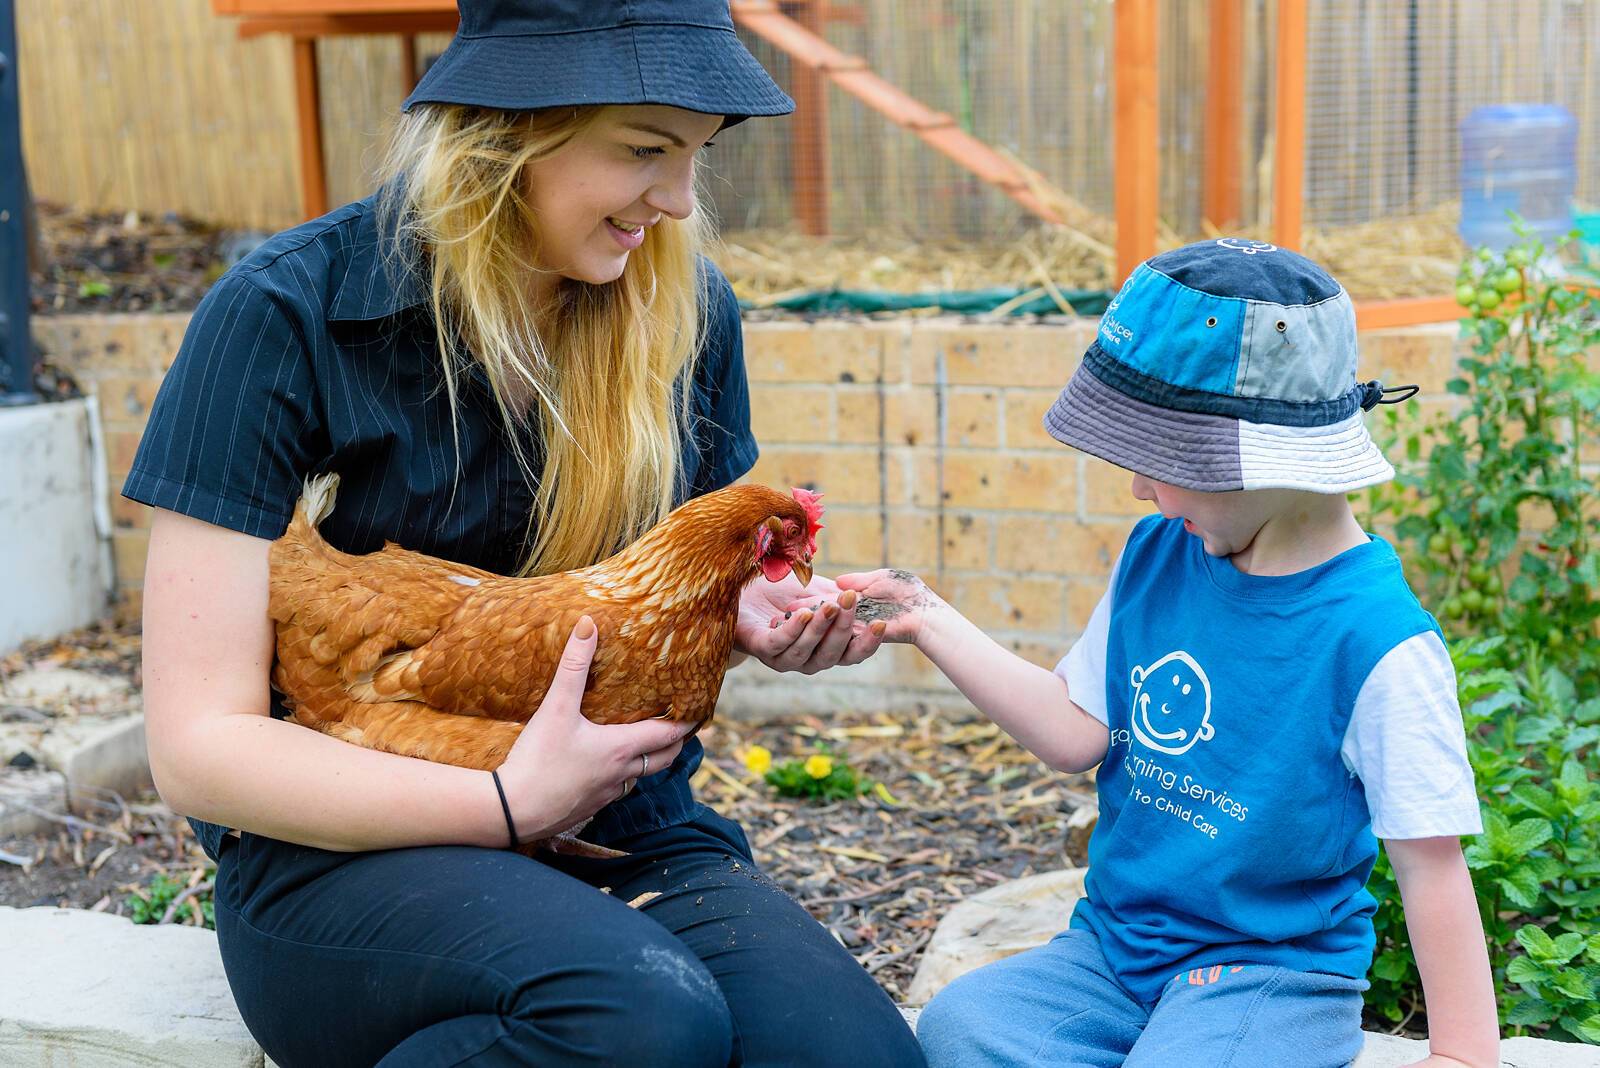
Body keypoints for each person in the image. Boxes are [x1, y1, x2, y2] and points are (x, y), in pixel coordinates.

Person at [124, 3, 923, 1065]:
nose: (678, 201)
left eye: (695, 155)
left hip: (616, 822)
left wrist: (749, 613)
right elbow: (198, 750)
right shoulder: (286, 318)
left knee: (849, 1057)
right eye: (643, 150)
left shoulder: (685, 316)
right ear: (506, 130)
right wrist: (500, 802)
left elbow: (680, 586)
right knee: (634, 1021)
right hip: (344, 845)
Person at [840, 240, 1498, 1067]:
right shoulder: (1157, 554)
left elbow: (1431, 866)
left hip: (1269, 977)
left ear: (1260, 458)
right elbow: (1076, 732)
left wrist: (1462, 1056)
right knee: (963, 1024)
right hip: (1115, 959)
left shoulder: (1377, 642)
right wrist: (927, 618)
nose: (1139, 488)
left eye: (1160, 461)